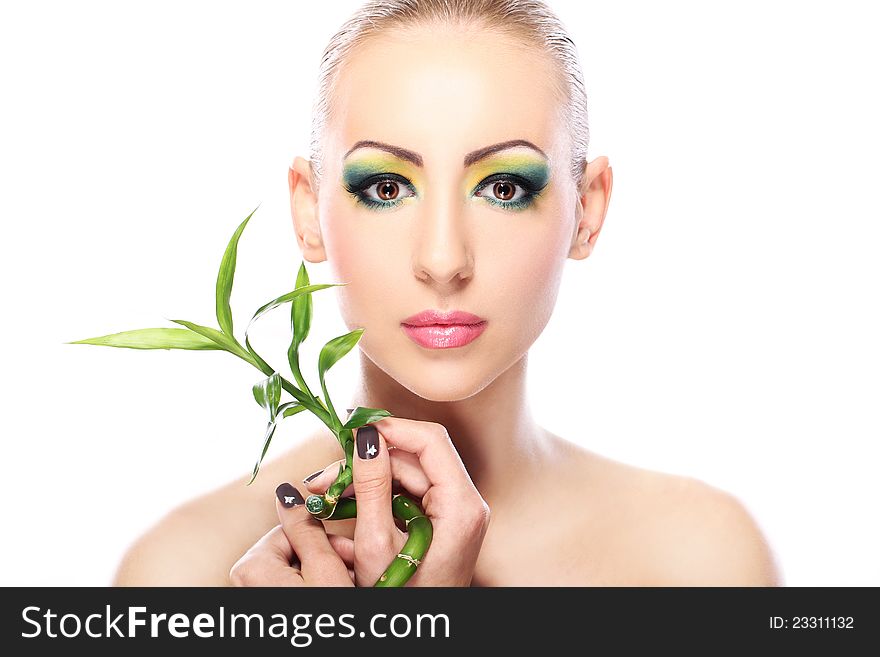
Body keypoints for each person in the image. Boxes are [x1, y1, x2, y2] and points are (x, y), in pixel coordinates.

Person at [113, 0, 782, 587]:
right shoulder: (182, 573)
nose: (442, 259)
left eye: (504, 187)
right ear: (309, 212)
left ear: (587, 210)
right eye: (386, 187)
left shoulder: (702, 561)